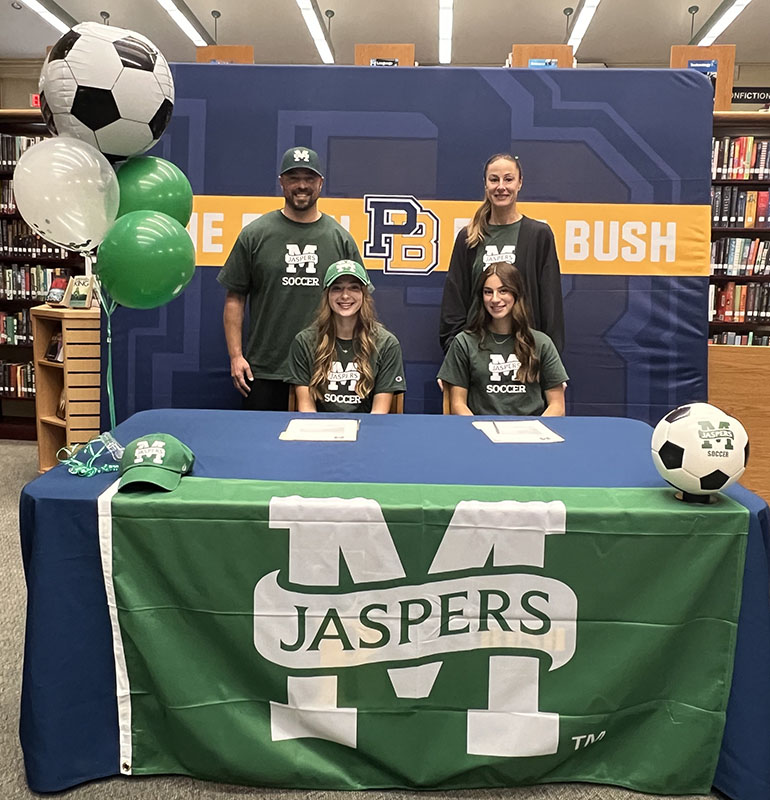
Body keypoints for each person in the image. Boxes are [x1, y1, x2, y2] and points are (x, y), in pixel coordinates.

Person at [217, 146, 362, 410]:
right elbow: (234, 298)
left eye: (309, 178)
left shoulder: (340, 239)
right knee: (261, 449)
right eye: (294, 178)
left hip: (324, 369)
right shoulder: (255, 235)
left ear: (321, 183)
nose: (302, 185)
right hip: (264, 370)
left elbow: (359, 305)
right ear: (281, 182)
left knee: (321, 450)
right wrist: (236, 356)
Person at [439, 152, 565, 354]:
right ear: (485, 184)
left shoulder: (538, 235)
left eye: (508, 179)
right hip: (477, 355)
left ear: (520, 183)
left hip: (525, 354)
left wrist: (549, 360)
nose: (501, 187)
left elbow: (550, 305)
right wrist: (457, 354)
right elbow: (454, 301)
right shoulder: (468, 237)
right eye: (494, 179)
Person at [438, 261, 567, 416]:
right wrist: (480, 431)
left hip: (530, 434)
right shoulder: (464, 342)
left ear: (516, 294)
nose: (495, 299)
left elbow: (557, 406)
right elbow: (457, 404)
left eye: (503, 291)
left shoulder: (541, 343)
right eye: (488, 292)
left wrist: (533, 432)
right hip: (481, 433)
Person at [286, 260, 406, 413]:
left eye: (354, 288)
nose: (345, 296)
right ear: (327, 295)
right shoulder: (305, 342)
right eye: (337, 288)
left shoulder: (386, 344)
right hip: (318, 431)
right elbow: (307, 410)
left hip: (367, 430)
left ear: (364, 294)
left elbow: (378, 415)